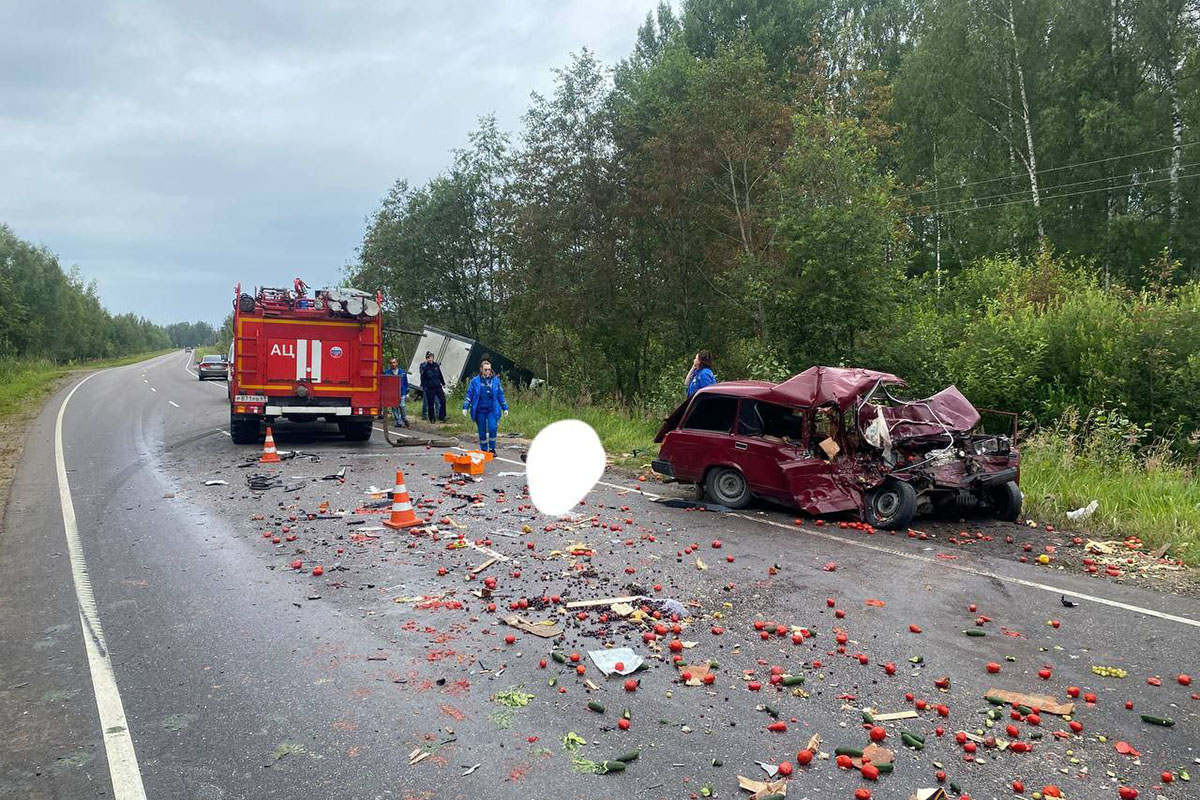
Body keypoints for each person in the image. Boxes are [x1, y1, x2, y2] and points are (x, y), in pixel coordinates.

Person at [462, 359, 508, 453]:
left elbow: (500, 394)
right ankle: (484, 449)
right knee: (482, 430)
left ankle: (492, 449)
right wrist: (465, 407)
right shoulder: (475, 381)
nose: (487, 371)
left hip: (492, 409)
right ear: (481, 369)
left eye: (489, 369)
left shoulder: (495, 381)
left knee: (492, 427)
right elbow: (469, 394)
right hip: (480, 410)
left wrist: (505, 407)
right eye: (485, 369)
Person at [419, 351, 447, 422]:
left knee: (443, 400)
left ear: (433, 358)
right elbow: (423, 378)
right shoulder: (425, 367)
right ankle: (432, 418)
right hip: (430, 388)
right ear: (427, 359)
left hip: (438, 386)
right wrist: (424, 387)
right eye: (429, 358)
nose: (430, 359)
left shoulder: (436, 366)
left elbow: (440, 375)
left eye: (431, 357)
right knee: (430, 404)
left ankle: (442, 416)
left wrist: (443, 383)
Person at [383, 357, 410, 428]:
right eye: (391, 363)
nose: (393, 364)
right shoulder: (387, 373)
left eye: (394, 362)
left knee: (402, 406)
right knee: (394, 407)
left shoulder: (402, 372)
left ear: (397, 363)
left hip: (402, 392)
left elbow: (406, 382)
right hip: (392, 393)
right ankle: (398, 421)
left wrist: (407, 391)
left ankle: (404, 418)